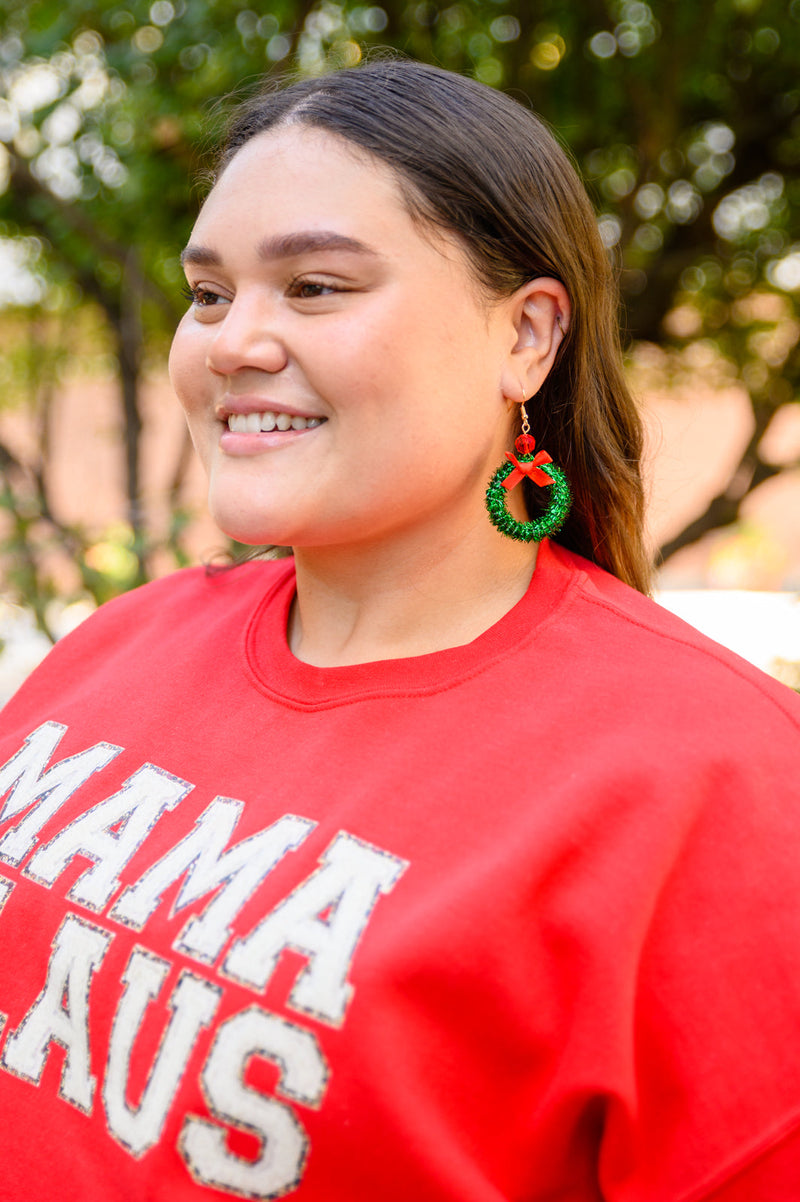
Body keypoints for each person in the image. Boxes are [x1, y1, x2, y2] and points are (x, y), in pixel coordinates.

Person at [0, 57, 798, 1202]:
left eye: (315, 286)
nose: (231, 342)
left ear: (525, 337)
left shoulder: (721, 782)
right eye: (211, 293)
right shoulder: (123, 641)